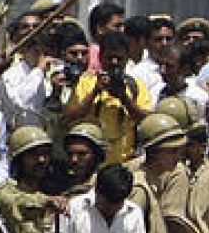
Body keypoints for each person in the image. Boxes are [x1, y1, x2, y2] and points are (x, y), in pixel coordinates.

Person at [62, 29, 151, 166]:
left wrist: (124, 98)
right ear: (101, 57)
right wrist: (94, 92)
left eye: (119, 58)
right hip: (91, 165)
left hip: (125, 163)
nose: (114, 63)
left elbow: (147, 120)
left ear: (127, 58)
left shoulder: (135, 86)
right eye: (109, 58)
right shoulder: (85, 82)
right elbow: (69, 118)